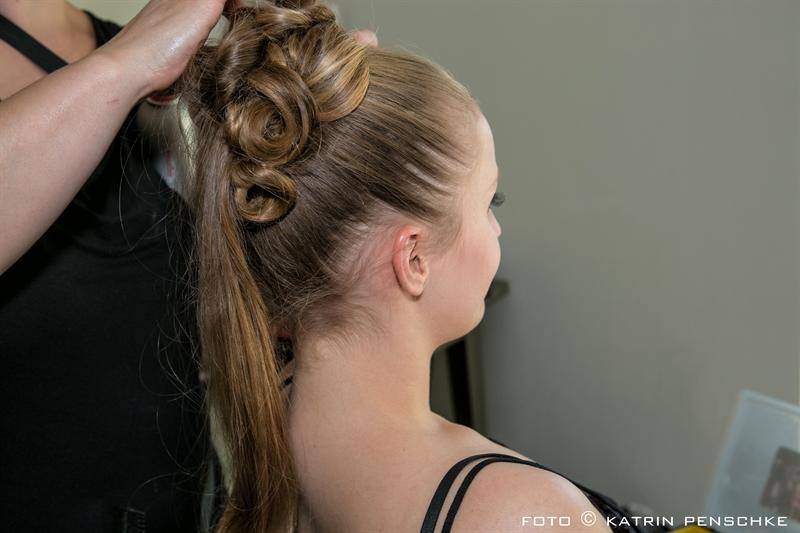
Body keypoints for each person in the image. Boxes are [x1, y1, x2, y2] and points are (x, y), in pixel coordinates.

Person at [172, 1, 651, 532]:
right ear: (414, 257)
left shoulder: (279, 422)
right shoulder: (516, 515)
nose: (497, 230)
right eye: (491, 202)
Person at [0, 1, 376, 531]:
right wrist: (128, 63)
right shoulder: (138, 58)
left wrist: (319, 145)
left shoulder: (145, 69)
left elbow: (222, 285)